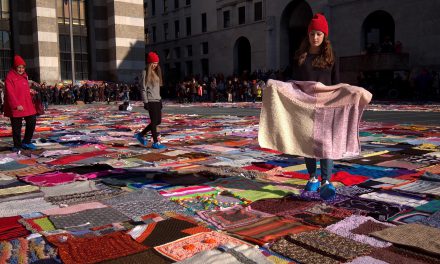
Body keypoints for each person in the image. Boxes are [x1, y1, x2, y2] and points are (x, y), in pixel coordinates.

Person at [292, 13, 339, 200]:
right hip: (305, 107)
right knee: (308, 145)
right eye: (312, 34)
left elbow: (336, 84)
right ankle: (312, 177)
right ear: (308, 36)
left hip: (326, 108)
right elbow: (294, 83)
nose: (315, 37)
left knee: (325, 144)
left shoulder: (331, 58)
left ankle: (326, 181)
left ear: (324, 35)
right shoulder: (300, 58)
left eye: (319, 34)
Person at [3, 55, 37, 151]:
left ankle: (26, 141)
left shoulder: (24, 76)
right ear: (15, 67)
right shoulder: (10, 77)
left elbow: (22, 89)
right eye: (19, 67)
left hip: (26, 104)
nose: (21, 69)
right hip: (16, 106)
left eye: (22, 67)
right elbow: (10, 92)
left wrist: (30, 92)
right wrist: (16, 104)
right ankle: (17, 145)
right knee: (17, 127)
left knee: (32, 121)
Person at [134, 51, 166, 149]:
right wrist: (145, 102)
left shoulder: (156, 73)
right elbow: (143, 88)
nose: (155, 66)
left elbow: (157, 89)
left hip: (157, 100)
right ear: (149, 63)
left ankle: (140, 135)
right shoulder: (144, 73)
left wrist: (160, 100)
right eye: (153, 64)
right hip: (150, 100)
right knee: (154, 121)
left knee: (158, 121)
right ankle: (155, 142)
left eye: (156, 64)